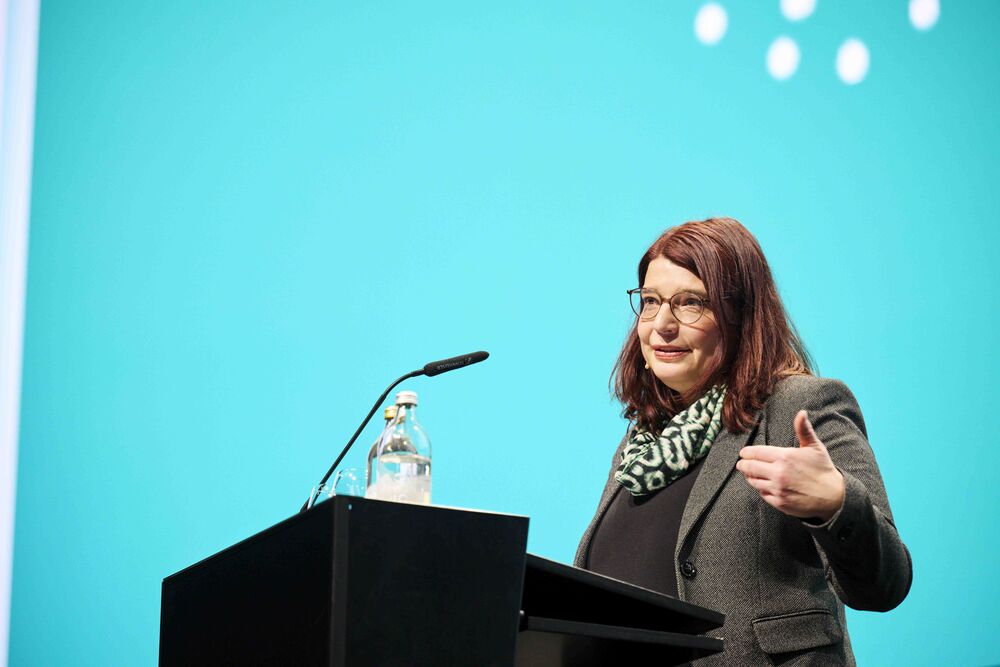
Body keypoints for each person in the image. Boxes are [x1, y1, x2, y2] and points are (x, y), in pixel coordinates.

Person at [575, 218, 911, 666]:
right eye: (651, 301)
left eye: (691, 303)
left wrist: (834, 504)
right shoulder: (644, 441)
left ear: (742, 314)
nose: (662, 325)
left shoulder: (800, 405)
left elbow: (885, 583)